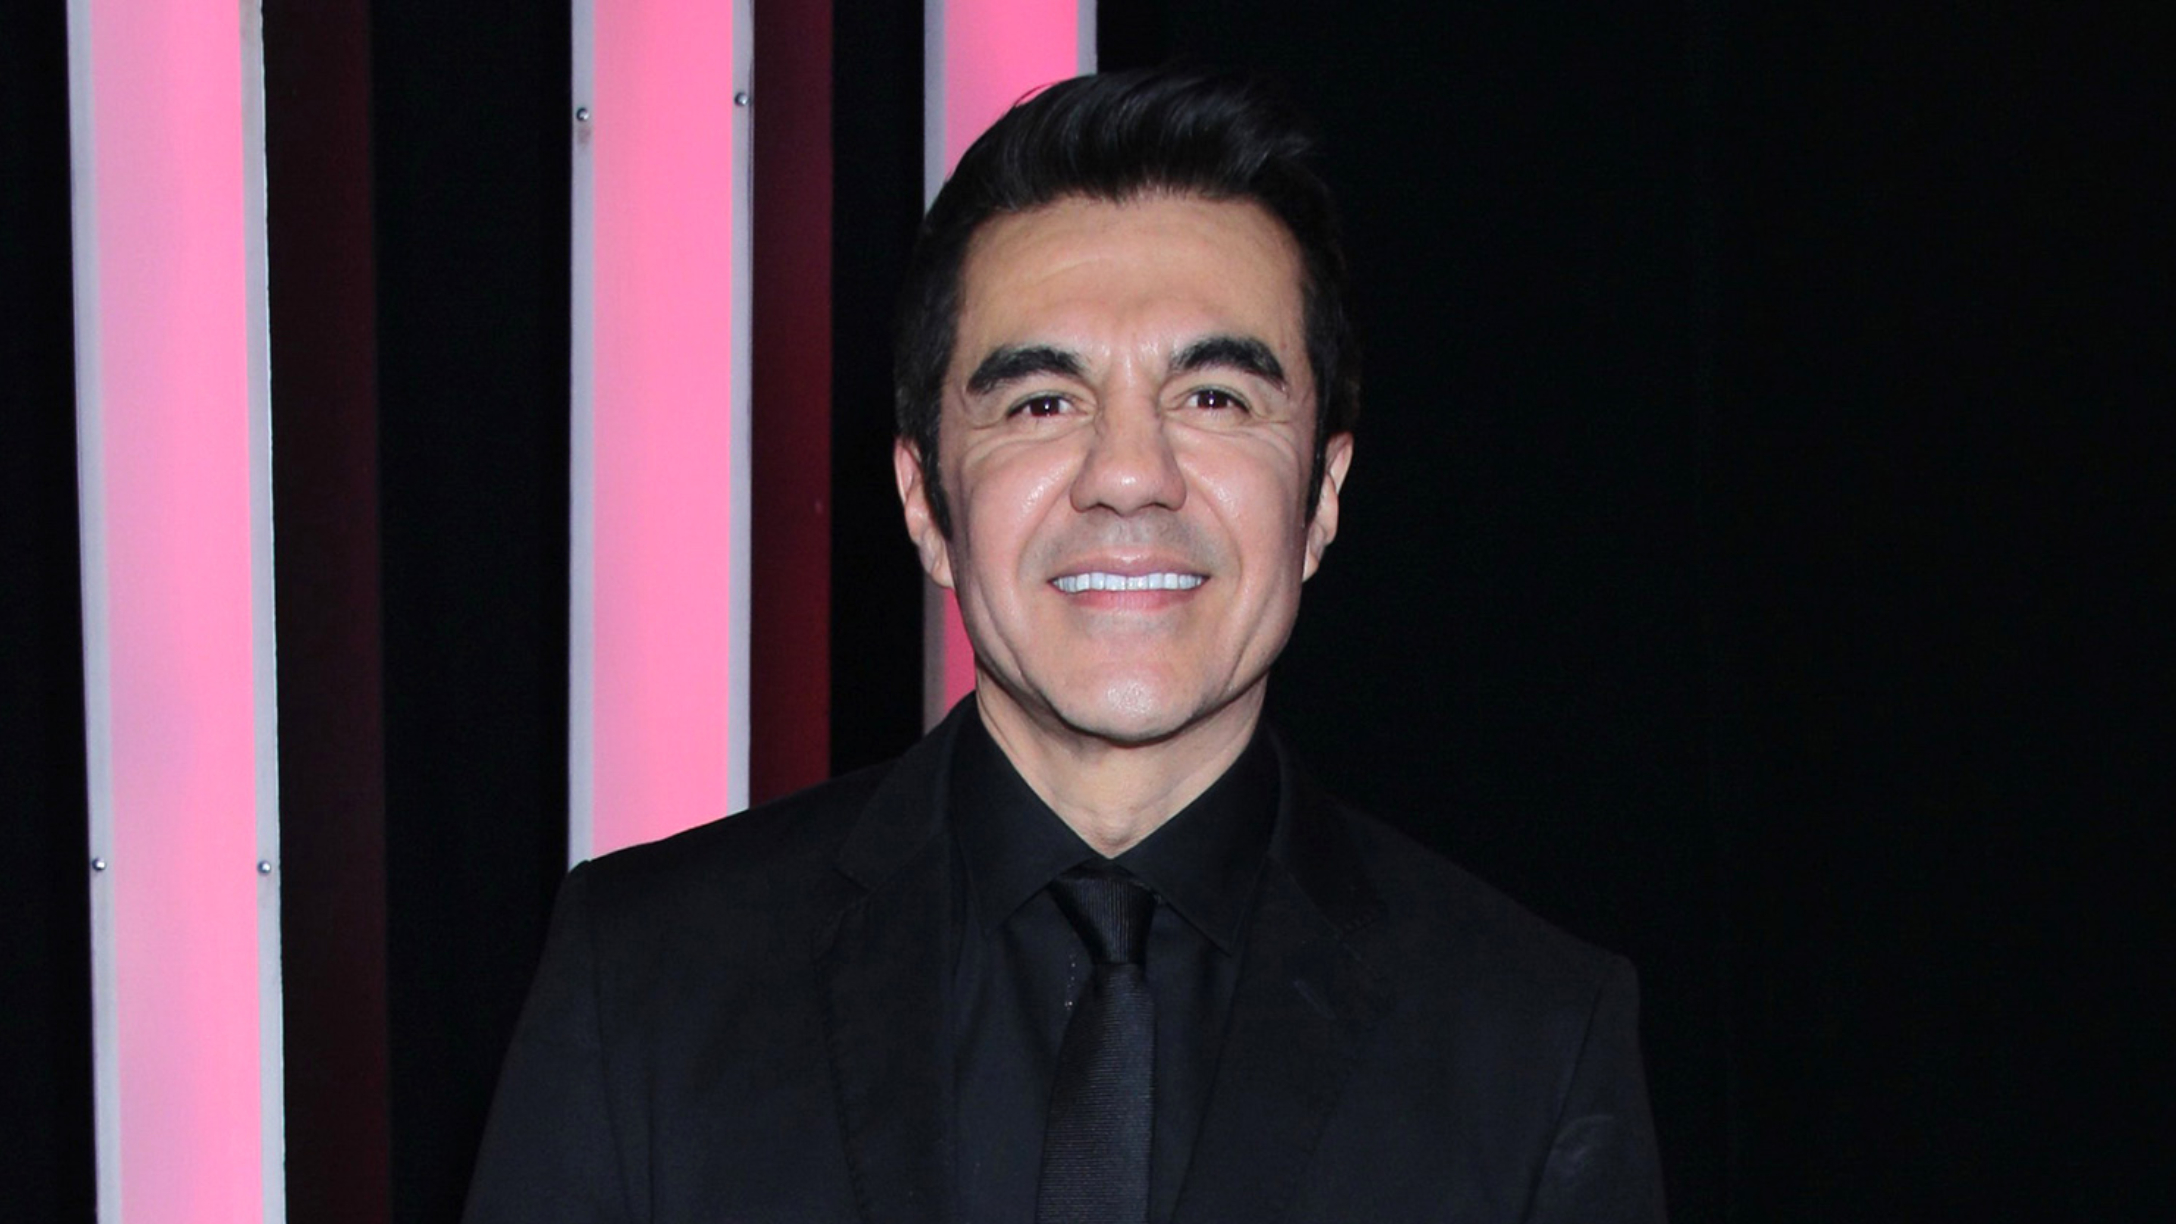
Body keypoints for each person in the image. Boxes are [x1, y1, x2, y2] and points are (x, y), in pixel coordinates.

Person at [464, 66, 1667, 1224]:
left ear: (1323, 496)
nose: (1129, 474)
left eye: (1214, 398)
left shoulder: (1531, 1041)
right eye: (1043, 403)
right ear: (925, 503)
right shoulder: (645, 980)